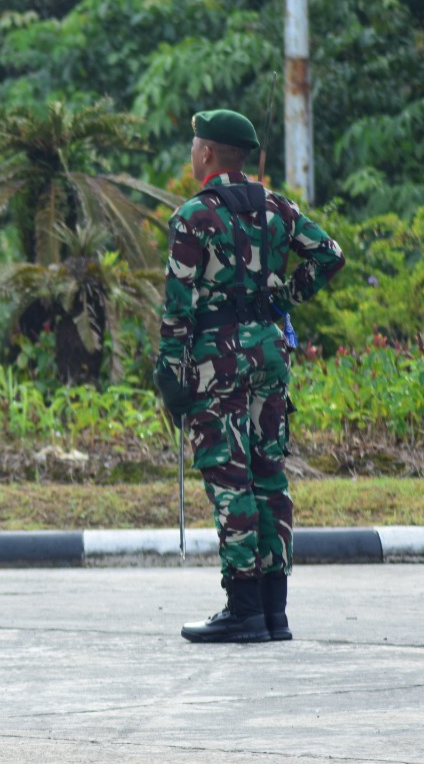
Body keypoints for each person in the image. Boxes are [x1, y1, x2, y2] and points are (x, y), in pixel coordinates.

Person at [152, 109, 344, 643]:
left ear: (208, 153)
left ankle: (243, 610)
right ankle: (273, 612)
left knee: (230, 479)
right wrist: (283, 298)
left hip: (217, 363)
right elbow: (329, 255)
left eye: (195, 146)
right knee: (269, 477)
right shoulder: (276, 207)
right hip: (269, 356)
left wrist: (169, 373)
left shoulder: (194, 216)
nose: (193, 153)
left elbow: (178, 306)